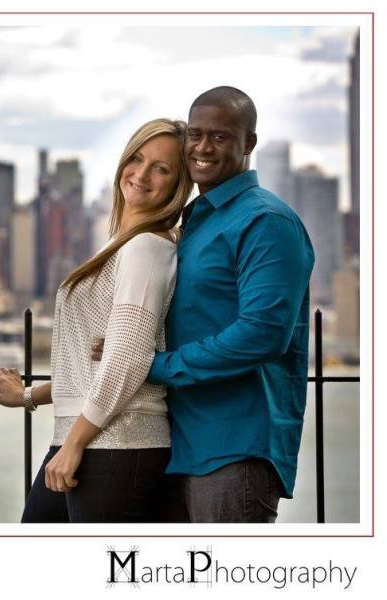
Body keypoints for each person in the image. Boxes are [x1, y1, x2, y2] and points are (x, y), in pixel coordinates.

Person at [94, 87, 315, 523]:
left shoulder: (266, 221)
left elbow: (262, 335)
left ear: (248, 143)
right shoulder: (195, 221)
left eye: (219, 136)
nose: (202, 147)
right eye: (195, 135)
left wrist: (153, 366)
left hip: (234, 449)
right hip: (175, 446)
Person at [0, 118, 192, 522]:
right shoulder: (120, 245)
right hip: (89, 439)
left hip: (119, 444)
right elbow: (92, 369)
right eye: (137, 159)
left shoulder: (147, 247)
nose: (142, 174)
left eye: (161, 169)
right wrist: (27, 396)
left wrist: (75, 442)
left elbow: (127, 361)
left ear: (178, 185)